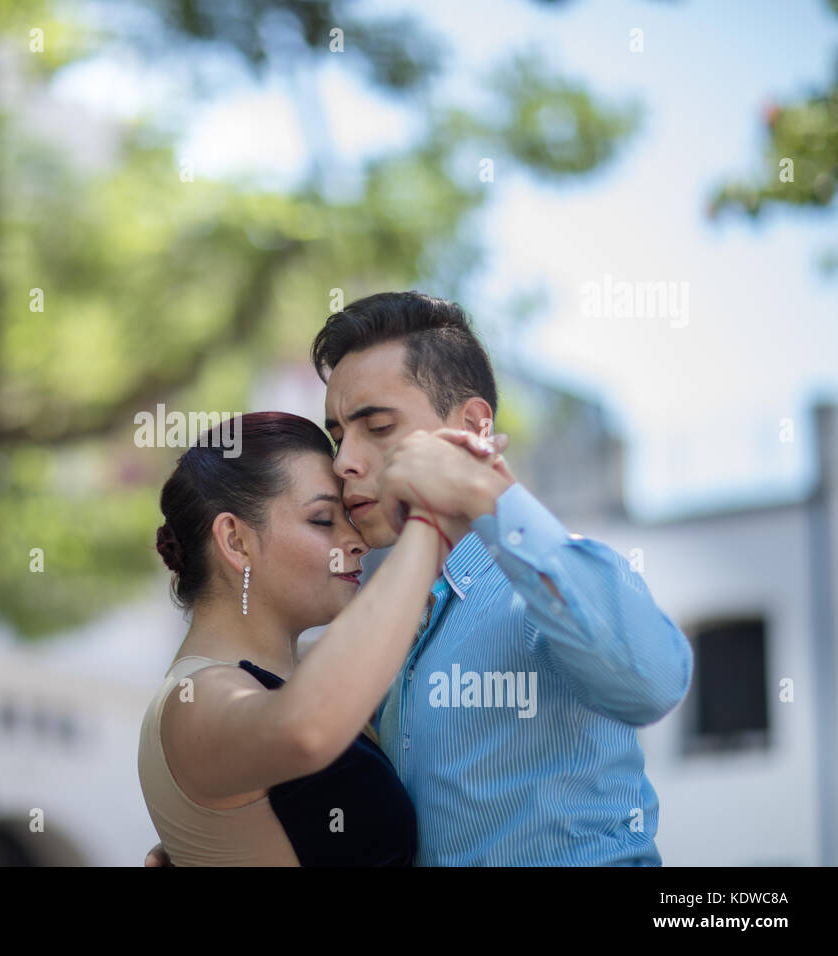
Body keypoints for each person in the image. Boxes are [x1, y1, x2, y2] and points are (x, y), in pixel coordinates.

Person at [146, 290, 692, 866]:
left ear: (474, 427)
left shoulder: (555, 585)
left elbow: (653, 681)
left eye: (377, 426)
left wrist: (485, 493)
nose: (343, 461)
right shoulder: (375, 633)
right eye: (336, 436)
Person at [137, 410, 507, 865]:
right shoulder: (195, 701)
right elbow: (305, 730)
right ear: (234, 540)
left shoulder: (299, 670)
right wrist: (428, 525)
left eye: (348, 517)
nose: (357, 542)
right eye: (322, 520)